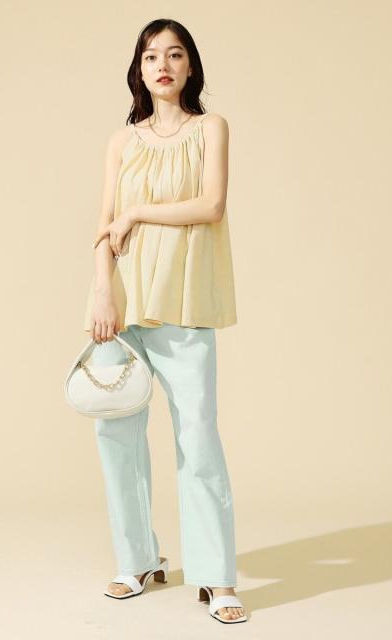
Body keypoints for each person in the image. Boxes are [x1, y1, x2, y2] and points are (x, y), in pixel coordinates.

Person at [83, 18, 246, 624]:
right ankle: (137, 560)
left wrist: (138, 213)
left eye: (175, 55)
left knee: (197, 436)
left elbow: (212, 205)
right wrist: (102, 291)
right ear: (139, 68)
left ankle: (216, 576)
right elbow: (103, 224)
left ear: (190, 65)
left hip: (184, 299)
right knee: (117, 436)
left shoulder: (211, 128)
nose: (163, 66)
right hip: (122, 301)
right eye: (152, 56)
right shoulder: (121, 142)